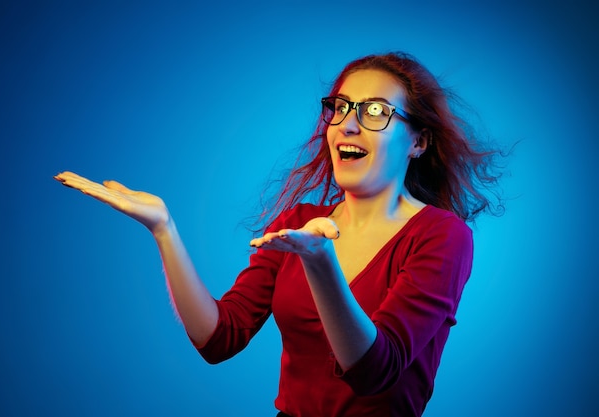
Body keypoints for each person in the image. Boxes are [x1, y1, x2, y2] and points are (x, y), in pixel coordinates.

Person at [55, 51, 505, 417]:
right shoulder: (298, 220)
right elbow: (219, 338)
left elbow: (374, 372)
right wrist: (164, 229)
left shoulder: (441, 237)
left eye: (375, 112)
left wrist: (319, 262)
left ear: (418, 141)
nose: (348, 123)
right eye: (342, 108)